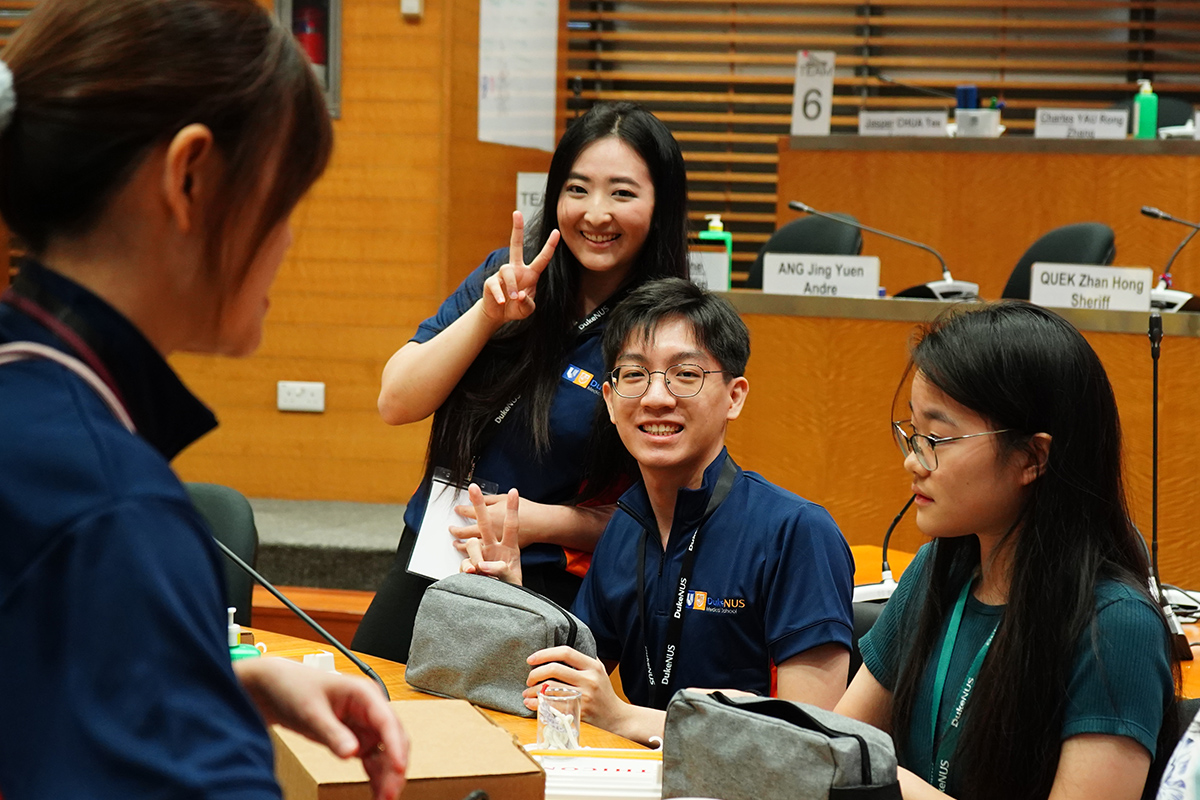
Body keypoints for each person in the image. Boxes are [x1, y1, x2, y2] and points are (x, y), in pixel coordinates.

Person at [0, 1, 406, 798]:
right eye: (284, 201)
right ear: (189, 177)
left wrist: (202, 684)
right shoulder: (112, 511)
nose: (287, 238)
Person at [353, 102, 692, 663]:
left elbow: (666, 514)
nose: (596, 213)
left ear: (660, 206)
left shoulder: (667, 329)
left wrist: (539, 522)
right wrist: (488, 316)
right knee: (375, 719)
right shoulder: (504, 276)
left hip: (547, 582)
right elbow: (395, 401)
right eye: (578, 190)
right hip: (436, 552)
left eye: (623, 194)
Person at [462, 278, 855, 745]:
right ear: (609, 401)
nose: (656, 397)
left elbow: (810, 744)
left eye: (685, 374)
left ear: (735, 396)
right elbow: (561, 696)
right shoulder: (627, 525)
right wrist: (514, 602)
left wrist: (627, 719)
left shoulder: (796, 532)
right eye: (634, 375)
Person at [834, 301, 1179, 800]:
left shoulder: (1116, 627)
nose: (913, 460)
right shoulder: (936, 570)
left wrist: (896, 789)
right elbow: (840, 748)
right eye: (912, 431)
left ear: (1033, 457)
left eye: (938, 437)